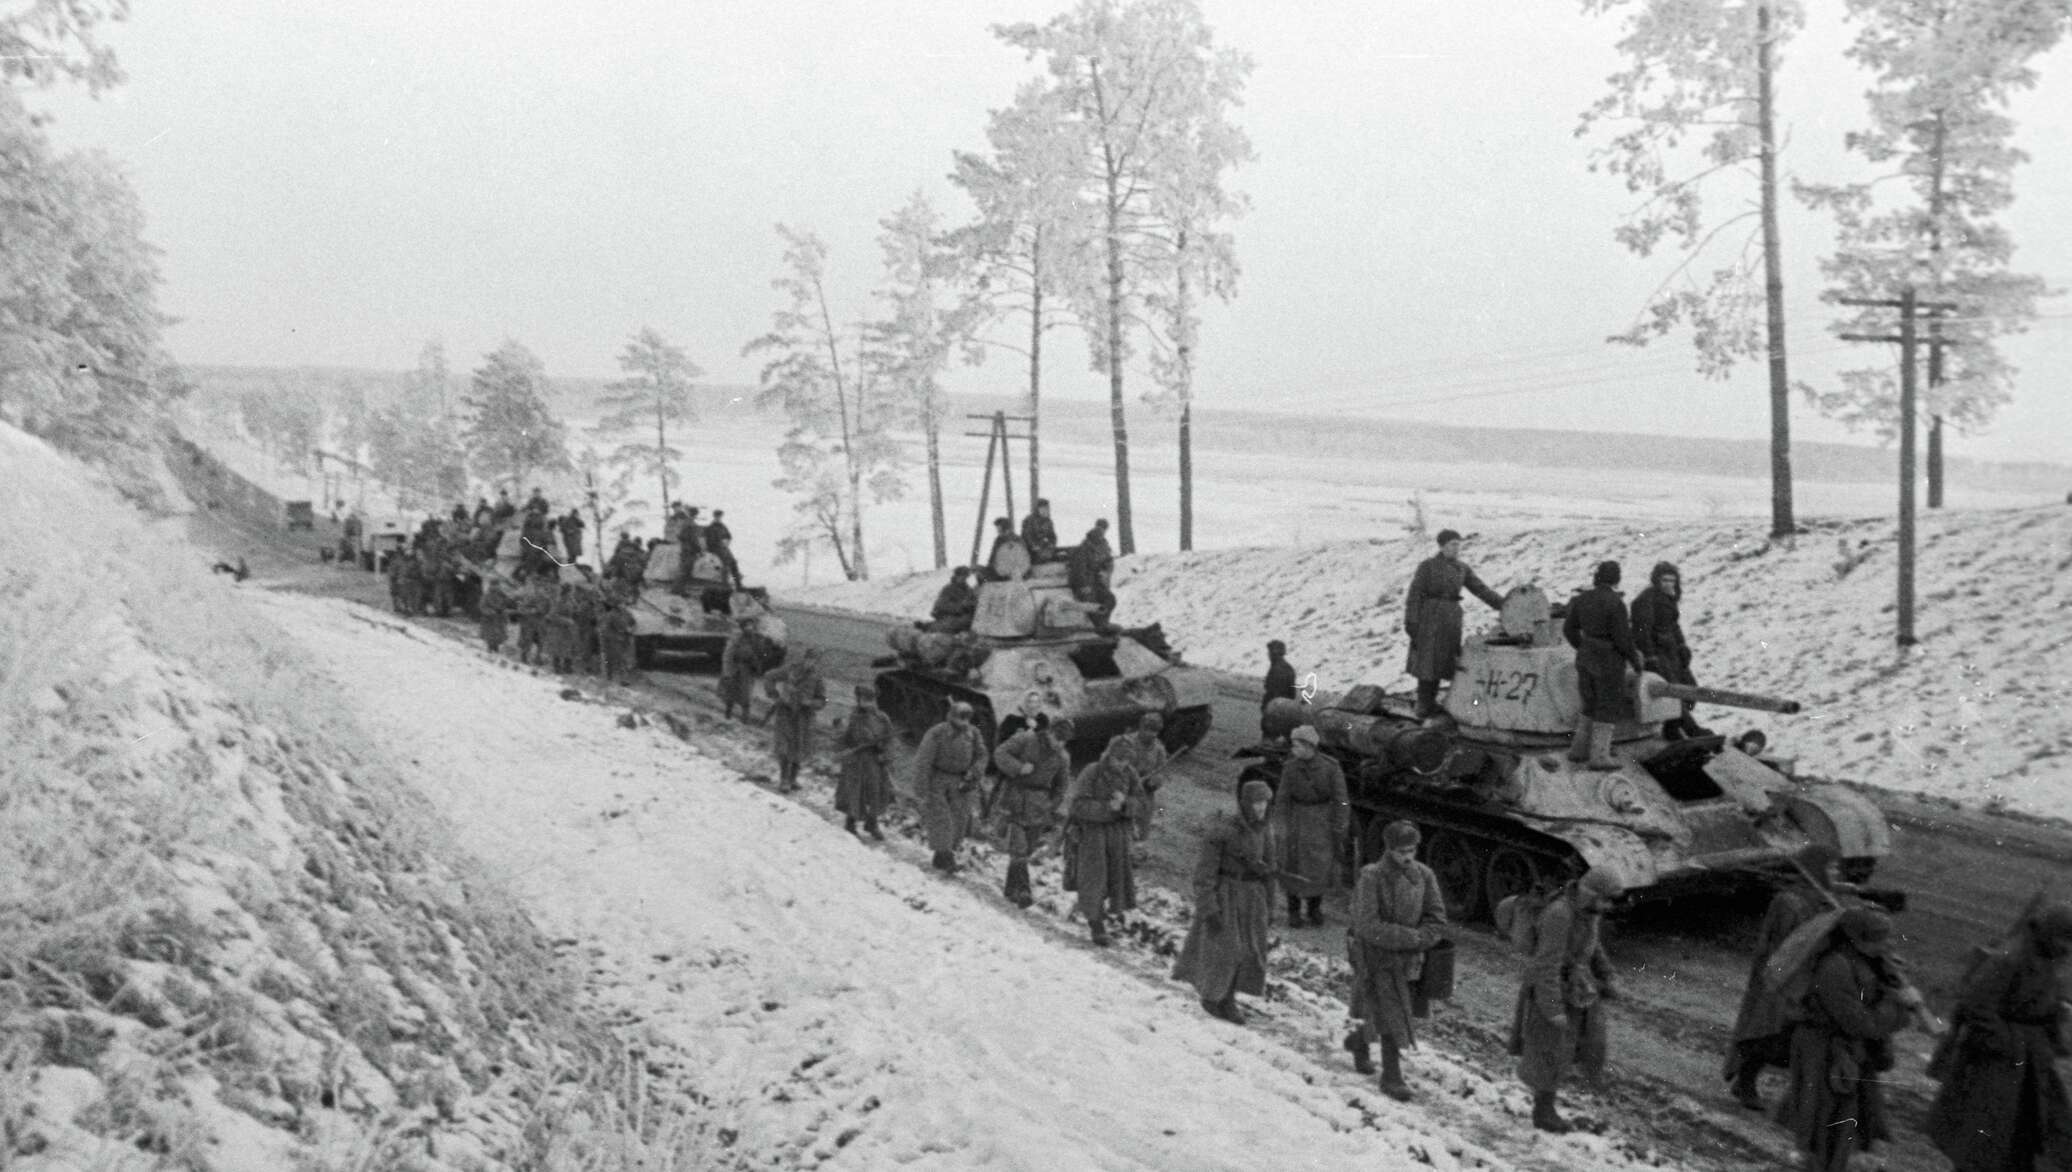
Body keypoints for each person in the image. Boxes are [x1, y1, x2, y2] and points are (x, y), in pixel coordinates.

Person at [1925, 901, 2072, 1172]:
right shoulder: (2009, 960)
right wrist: (2008, 1043)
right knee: (1984, 1134)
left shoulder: (2047, 962)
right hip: (1997, 1062)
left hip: (2030, 1061)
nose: (2067, 950)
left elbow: (2043, 1004)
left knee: (2032, 1132)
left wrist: (2056, 1020)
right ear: (2048, 933)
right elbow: (1976, 1008)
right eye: (2064, 940)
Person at [1774, 908, 1918, 1172]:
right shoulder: (1835, 967)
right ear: (1861, 939)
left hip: (1845, 1052)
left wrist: (1893, 988)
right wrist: (1896, 1004)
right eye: (1883, 937)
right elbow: (1859, 1023)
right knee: (1825, 1122)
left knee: (1847, 1123)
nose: (1891, 943)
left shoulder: (1868, 962)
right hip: (1823, 1053)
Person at [1724, 844, 1839, 1110]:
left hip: (1804, 977)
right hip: (1779, 977)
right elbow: (1783, 945)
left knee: (1787, 1035)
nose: (1835, 873)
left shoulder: (1822, 898)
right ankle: (1745, 1082)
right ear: (1815, 869)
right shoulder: (1789, 901)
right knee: (1766, 1031)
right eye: (1831, 868)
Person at [1346, 821, 1449, 1101]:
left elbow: (1437, 919)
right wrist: (1410, 938)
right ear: (1389, 849)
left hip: (1409, 959)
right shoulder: (1372, 876)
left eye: (1412, 850)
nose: (1407, 856)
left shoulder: (1424, 876)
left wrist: (1422, 939)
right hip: (1376, 957)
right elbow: (1367, 924)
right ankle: (1391, 1078)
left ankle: (1358, 1041)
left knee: (1384, 1009)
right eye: (1402, 851)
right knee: (1391, 1012)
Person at [1518, 868, 1622, 1134]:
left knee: (1568, 1048)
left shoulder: (1588, 912)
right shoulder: (1560, 914)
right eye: (1606, 899)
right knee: (1550, 1050)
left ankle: (1548, 1104)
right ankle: (1543, 1111)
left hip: (1575, 986)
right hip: (1551, 987)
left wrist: (1606, 973)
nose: (1608, 907)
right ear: (1592, 894)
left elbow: (1592, 945)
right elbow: (1547, 965)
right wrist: (1552, 1009)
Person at [1172, 779, 1275, 1025]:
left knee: (1247, 951)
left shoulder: (1265, 831)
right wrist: (1209, 906)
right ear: (1244, 802)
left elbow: (1271, 871)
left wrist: (1269, 905)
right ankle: (1213, 997)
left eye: (1264, 802)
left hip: (1252, 899)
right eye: (1256, 802)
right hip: (1226, 895)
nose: (1261, 808)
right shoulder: (1222, 830)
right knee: (1227, 950)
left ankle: (1227, 998)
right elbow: (1204, 873)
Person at [1399, 529, 1506, 718]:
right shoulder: (1428, 566)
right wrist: (1411, 622)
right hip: (1429, 618)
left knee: (1445, 661)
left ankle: (1435, 704)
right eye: (1452, 544)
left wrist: (1505, 605)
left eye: (1458, 544)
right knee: (1428, 662)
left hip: (1451, 618)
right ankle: (1424, 706)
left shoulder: (1462, 568)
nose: (1456, 548)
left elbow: (1480, 589)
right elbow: (1414, 595)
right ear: (1441, 546)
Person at [1563, 561, 1645, 770]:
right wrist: (1635, 661)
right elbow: (1622, 638)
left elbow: (1568, 629)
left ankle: (1578, 750)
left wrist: (1582, 647)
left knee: (1589, 704)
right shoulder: (1615, 602)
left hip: (1585, 657)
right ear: (1616, 579)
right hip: (1609, 660)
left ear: (1597, 577)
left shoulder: (1581, 599)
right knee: (1607, 705)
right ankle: (1600, 756)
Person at [1060, 740, 1142, 947]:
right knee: (1093, 879)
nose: (1122, 764)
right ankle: (1097, 926)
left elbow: (1145, 804)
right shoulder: (1092, 771)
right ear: (1108, 754)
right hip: (1091, 835)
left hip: (1118, 838)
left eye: (1126, 761)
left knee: (1112, 881)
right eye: (1118, 759)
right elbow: (1077, 805)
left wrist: (1125, 804)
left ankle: (1089, 908)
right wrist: (1108, 808)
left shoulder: (1130, 774)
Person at [991, 715, 1074, 907]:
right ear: (1049, 732)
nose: (1058, 744)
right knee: (1018, 849)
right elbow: (1000, 753)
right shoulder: (1027, 739)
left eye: (1063, 741)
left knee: (1025, 851)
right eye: (1057, 738)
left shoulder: (1063, 757)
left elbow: (1061, 788)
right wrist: (1019, 767)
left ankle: (1010, 890)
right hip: (1015, 799)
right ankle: (1023, 891)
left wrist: (1050, 807)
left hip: (1038, 808)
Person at [1271, 726, 1348, 928]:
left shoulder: (1331, 767)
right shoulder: (1290, 768)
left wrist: (1340, 825)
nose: (1293, 748)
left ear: (1308, 746)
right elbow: (1282, 798)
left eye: (1296, 745)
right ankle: (1293, 911)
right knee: (1291, 865)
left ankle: (1314, 909)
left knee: (1319, 866)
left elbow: (1341, 800)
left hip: (1321, 822)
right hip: (1296, 820)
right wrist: (1280, 827)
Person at [1630, 561, 1708, 740]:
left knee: (1689, 689)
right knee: (1673, 692)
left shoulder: (1668, 599)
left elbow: (1674, 626)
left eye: (1672, 581)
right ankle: (1691, 728)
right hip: (1658, 653)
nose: (1668, 584)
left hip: (1672, 652)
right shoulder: (1646, 599)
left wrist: (1682, 646)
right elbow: (1642, 631)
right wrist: (1650, 657)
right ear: (1656, 580)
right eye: (1664, 580)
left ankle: (1672, 728)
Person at [912, 700, 988, 873]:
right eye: (960, 717)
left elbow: (982, 755)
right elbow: (924, 759)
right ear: (951, 716)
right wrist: (921, 787)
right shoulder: (938, 732)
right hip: (938, 780)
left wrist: (974, 772)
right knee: (942, 819)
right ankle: (946, 858)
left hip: (961, 782)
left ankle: (942, 857)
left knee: (958, 821)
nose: (964, 722)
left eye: (967, 718)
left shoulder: (973, 734)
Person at [835, 685, 896, 840]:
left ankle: (872, 824)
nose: (868, 703)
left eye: (871, 700)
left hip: (875, 761)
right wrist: (842, 744)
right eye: (864, 700)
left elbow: (890, 740)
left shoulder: (882, 718)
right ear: (859, 700)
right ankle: (850, 823)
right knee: (855, 792)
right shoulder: (854, 717)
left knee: (875, 792)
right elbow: (845, 738)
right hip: (856, 761)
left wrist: (885, 755)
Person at [765, 647, 827, 792]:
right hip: (785, 713)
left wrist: (811, 703)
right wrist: (774, 694)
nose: (810, 664)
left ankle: (793, 779)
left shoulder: (818, 678)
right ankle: (784, 780)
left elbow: (824, 700)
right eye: (809, 659)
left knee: (799, 748)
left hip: (804, 717)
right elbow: (769, 676)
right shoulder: (790, 670)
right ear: (804, 658)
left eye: (814, 661)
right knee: (784, 747)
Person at [1106, 713, 1168, 843]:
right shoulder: (1123, 742)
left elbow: (1162, 773)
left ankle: (1136, 850)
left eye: (1155, 731)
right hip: (1119, 789)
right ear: (1140, 727)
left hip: (1144, 794)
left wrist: (1155, 781)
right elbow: (1107, 763)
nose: (1152, 734)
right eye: (1148, 729)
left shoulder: (1159, 750)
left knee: (1141, 831)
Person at [1067, 519, 1117, 627]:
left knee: (1110, 599)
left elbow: (1107, 560)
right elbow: (1079, 570)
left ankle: (1103, 623)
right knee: (1091, 603)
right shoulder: (1083, 550)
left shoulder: (1103, 546)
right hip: (1084, 585)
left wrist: (1105, 570)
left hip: (1096, 583)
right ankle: (1098, 625)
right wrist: (1084, 585)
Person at [717, 617, 766, 721]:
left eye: (751, 626)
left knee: (746, 697)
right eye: (747, 626)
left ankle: (745, 719)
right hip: (735, 669)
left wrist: (757, 665)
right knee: (730, 695)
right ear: (743, 627)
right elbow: (727, 655)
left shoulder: (756, 639)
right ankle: (728, 715)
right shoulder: (736, 639)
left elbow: (761, 655)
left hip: (747, 672)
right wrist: (727, 672)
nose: (750, 628)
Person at [1261, 640, 1297, 739]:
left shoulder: (1277, 669)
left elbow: (1273, 693)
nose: (1268, 655)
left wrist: (1266, 709)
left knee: (1269, 741)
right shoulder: (1288, 668)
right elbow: (1292, 694)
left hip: (1275, 710)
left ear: (1273, 653)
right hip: (1285, 710)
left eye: (1269, 652)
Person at [928, 566, 978, 634]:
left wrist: (971, 604)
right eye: (961, 576)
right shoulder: (948, 589)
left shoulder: (968, 589)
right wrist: (961, 606)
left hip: (962, 616)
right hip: (948, 616)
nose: (964, 579)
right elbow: (941, 605)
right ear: (956, 576)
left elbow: (973, 602)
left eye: (966, 577)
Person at [597, 595, 636, 683]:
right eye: (621, 603)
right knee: (610, 659)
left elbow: (633, 622)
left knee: (624, 659)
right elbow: (605, 629)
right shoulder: (610, 615)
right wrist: (614, 636)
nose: (623, 605)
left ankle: (623, 678)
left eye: (624, 603)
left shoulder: (626, 613)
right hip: (613, 640)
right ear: (616, 605)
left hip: (625, 639)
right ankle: (609, 676)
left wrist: (631, 629)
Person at [514, 581, 549, 666]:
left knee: (541, 642)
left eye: (544, 589)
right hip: (530, 623)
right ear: (537, 589)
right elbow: (523, 608)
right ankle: (524, 657)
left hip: (541, 624)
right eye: (540, 588)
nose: (542, 591)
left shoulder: (547, 600)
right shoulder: (531, 598)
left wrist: (547, 616)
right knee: (527, 641)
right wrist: (532, 610)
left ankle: (538, 658)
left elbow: (549, 611)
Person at [706, 510, 743, 588]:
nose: (718, 518)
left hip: (723, 547)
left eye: (720, 516)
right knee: (725, 564)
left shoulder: (723, 526)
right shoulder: (711, 527)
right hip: (715, 548)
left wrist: (726, 544)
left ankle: (738, 584)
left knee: (733, 562)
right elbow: (710, 542)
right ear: (714, 516)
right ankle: (725, 584)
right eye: (717, 516)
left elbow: (729, 536)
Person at [478, 580, 511, 656]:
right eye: (494, 585)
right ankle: (490, 650)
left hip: (499, 619)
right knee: (490, 636)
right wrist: (490, 612)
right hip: (489, 620)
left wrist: (504, 613)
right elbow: (482, 607)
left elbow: (507, 605)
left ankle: (496, 650)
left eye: (497, 585)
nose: (496, 587)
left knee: (499, 636)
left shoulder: (502, 595)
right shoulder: (486, 595)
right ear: (491, 586)